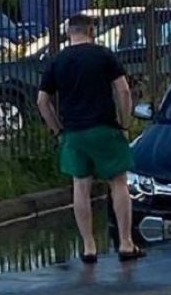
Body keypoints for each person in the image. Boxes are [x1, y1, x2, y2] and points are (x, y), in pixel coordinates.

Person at [37, 14, 145, 263]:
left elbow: (42, 101)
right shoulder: (104, 55)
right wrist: (124, 122)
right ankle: (126, 243)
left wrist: (58, 130)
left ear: (68, 32)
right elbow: (123, 90)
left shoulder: (57, 61)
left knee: (80, 185)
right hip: (105, 128)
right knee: (118, 182)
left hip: (73, 133)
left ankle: (88, 247)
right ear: (91, 31)